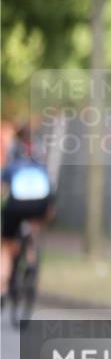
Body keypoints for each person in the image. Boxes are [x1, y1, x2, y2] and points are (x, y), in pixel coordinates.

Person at [1, 123, 54, 299]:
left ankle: (2, 288)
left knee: (7, 245)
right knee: (34, 226)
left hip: (16, 204)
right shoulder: (40, 164)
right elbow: (49, 187)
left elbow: (3, 188)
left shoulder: (13, 164)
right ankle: (31, 257)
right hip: (40, 202)